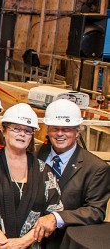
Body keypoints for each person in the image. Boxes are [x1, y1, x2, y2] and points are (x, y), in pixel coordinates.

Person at [0, 103, 63, 249]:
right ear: (3, 130)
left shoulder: (44, 171)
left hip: (29, 245)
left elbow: (54, 211)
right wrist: (4, 243)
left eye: (28, 131)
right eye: (16, 129)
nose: (22, 134)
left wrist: (23, 242)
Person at [33, 99, 110, 249]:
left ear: (77, 131)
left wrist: (56, 218)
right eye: (55, 128)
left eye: (66, 129)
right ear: (47, 130)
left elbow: (95, 211)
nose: (60, 134)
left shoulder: (96, 168)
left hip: (63, 242)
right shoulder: (34, 155)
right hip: (27, 237)